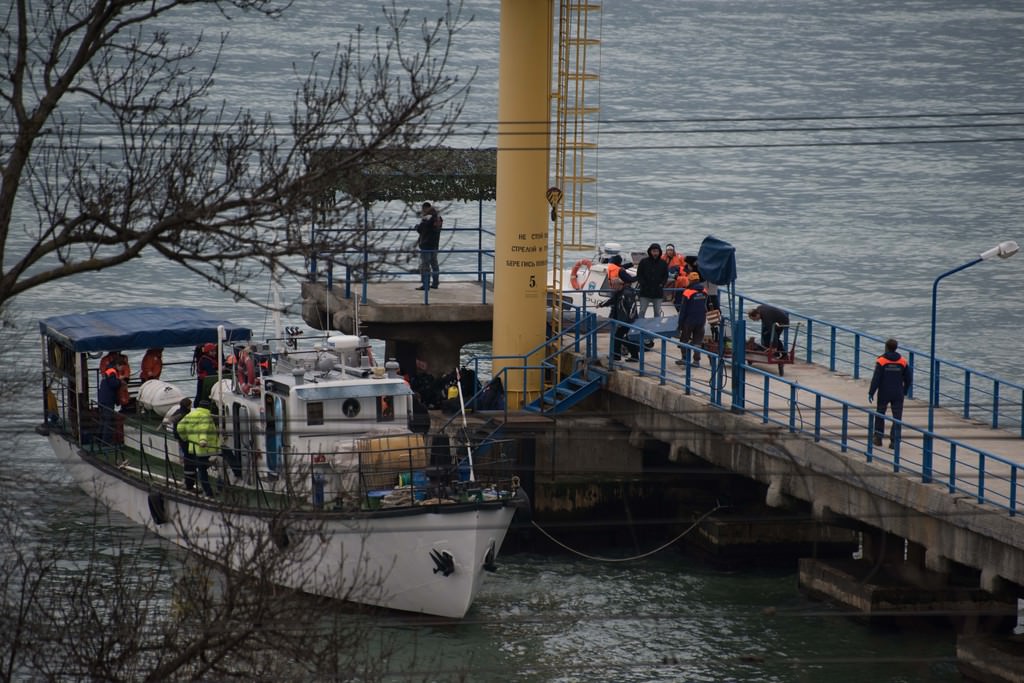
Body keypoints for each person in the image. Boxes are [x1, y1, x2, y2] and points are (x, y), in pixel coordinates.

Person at [868, 338, 913, 448]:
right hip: (898, 392)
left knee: (880, 414)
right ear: (896, 348)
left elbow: (876, 379)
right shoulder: (903, 361)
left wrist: (871, 392)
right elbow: (909, 378)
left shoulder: (881, 361)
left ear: (886, 347)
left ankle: (878, 438)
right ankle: (894, 442)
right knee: (897, 417)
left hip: (884, 392)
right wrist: (905, 390)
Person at [175, 399, 219, 496]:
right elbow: (203, 429)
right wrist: (202, 440)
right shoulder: (205, 416)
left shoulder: (190, 415)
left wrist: (185, 438)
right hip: (205, 448)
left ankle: (208, 491)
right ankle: (210, 490)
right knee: (205, 468)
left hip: (193, 447)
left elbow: (180, 427)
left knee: (201, 468)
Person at [598, 278, 640, 362]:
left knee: (620, 337)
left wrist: (630, 320)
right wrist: (601, 304)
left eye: (614, 285)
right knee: (622, 337)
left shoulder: (626, 293)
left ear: (619, 285)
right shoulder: (619, 293)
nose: (613, 287)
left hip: (627, 320)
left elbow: (632, 307)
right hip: (622, 320)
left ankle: (619, 356)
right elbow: (612, 300)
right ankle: (632, 356)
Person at [676, 272, 708, 366]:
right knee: (697, 341)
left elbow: (683, 309)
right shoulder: (704, 291)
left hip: (689, 320)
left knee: (684, 339)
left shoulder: (687, 292)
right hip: (701, 319)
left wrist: (680, 324)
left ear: (690, 280)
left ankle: (684, 359)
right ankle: (696, 361)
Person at [635, 243, 669, 318]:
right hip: (645, 292)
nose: (655, 253)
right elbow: (639, 275)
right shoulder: (643, 262)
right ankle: (639, 328)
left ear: (659, 252)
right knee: (642, 311)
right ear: (650, 251)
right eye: (653, 251)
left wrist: (662, 284)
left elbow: (665, 276)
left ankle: (656, 328)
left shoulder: (663, 263)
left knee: (657, 312)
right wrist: (643, 284)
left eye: (657, 251)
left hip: (658, 292)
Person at [414, 201, 442, 290]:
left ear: (425, 208)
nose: (422, 211)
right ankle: (435, 283)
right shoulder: (438, 217)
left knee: (425, 265)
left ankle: (425, 285)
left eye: (423, 209)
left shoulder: (427, 217)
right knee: (434, 264)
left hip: (426, 244)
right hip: (435, 244)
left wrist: (417, 227)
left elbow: (422, 229)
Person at [162, 397, 192, 463]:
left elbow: (171, 420)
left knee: (181, 446)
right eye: (190, 405)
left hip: (177, 433)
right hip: (183, 434)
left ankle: (182, 459)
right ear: (188, 406)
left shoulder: (178, 411)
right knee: (184, 447)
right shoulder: (184, 414)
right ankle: (184, 460)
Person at [96, 367, 121, 447]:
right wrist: (120, 381)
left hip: (102, 399)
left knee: (103, 420)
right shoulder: (112, 373)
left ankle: (99, 439)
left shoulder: (107, 372)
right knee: (108, 421)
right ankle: (106, 442)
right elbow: (114, 384)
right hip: (108, 400)